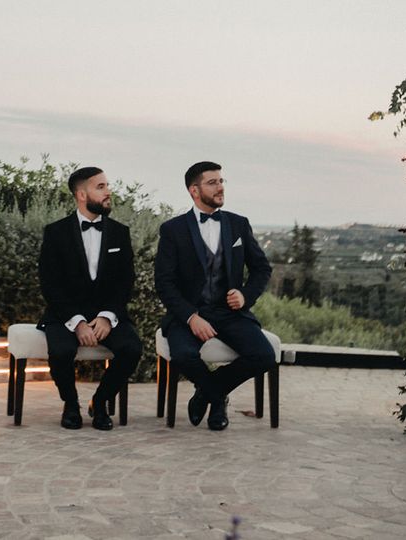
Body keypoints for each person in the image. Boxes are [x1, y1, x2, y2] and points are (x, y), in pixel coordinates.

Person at [154, 161, 275, 431]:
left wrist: (245, 296)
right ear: (194, 191)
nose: (220, 187)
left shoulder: (238, 224)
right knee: (184, 356)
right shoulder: (173, 230)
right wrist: (190, 317)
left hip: (230, 313)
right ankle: (218, 399)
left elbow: (261, 269)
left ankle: (208, 391)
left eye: (221, 181)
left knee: (264, 355)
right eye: (212, 182)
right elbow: (164, 283)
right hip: (189, 314)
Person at [38, 166, 142, 430]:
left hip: (106, 315)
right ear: (81, 194)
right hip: (65, 315)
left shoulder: (120, 232)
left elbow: (125, 281)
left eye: (107, 186)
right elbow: (50, 284)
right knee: (61, 351)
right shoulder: (55, 232)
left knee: (132, 348)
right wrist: (77, 322)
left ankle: (101, 401)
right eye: (101, 187)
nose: (108, 192)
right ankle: (71, 404)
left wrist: (107, 316)